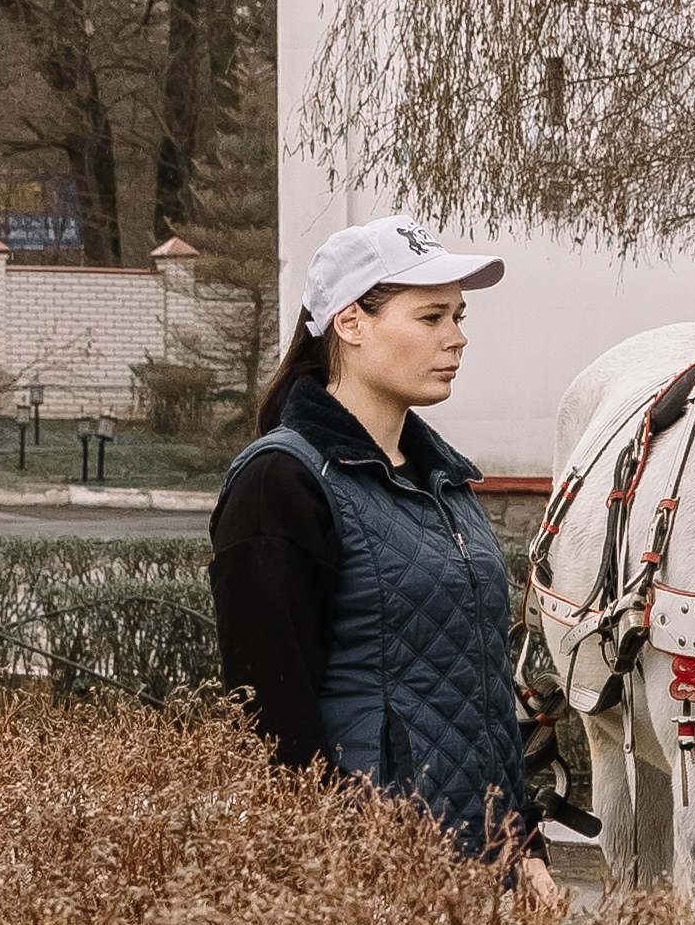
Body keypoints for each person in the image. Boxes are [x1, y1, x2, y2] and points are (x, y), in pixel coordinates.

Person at [212, 216, 549, 878]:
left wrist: (524, 840)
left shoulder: (442, 480)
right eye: (430, 317)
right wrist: (346, 871)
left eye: (457, 314)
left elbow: (473, 691)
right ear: (351, 323)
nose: (457, 337)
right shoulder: (280, 480)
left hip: (482, 862)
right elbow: (269, 719)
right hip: (372, 877)